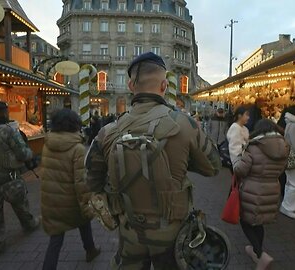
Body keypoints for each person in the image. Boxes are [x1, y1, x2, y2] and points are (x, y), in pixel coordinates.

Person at [85, 52, 221, 270]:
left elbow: (91, 181)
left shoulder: (107, 132)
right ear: (164, 85)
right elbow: (214, 166)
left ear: (130, 85)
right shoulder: (185, 125)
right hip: (173, 233)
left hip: (130, 231)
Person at [0, 102, 40, 260]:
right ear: (3, 113)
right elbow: (22, 153)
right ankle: (29, 223)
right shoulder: (7, 131)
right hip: (8, 173)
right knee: (19, 202)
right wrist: (30, 155)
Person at [41, 109, 100, 269]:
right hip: (70, 201)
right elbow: (81, 182)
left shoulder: (47, 144)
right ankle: (90, 250)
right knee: (84, 221)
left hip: (51, 200)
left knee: (56, 238)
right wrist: (87, 205)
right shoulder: (77, 148)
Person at [234, 119, 289, 270]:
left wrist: (238, 160)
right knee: (259, 221)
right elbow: (283, 170)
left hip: (253, 188)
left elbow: (240, 170)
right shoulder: (284, 146)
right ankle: (255, 251)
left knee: (245, 220)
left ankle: (260, 254)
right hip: (272, 188)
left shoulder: (254, 147)